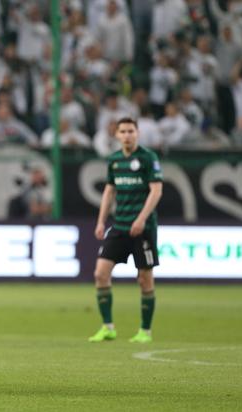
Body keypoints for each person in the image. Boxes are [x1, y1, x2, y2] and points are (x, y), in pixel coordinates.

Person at [89, 117, 163, 344]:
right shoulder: (114, 161)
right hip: (119, 226)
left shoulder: (148, 158)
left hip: (143, 229)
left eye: (131, 131)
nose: (127, 135)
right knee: (100, 274)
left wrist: (141, 219)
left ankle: (145, 331)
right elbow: (109, 192)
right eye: (123, 131)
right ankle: (107, 327)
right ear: (117, 135)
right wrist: (101, 221)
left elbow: (156, 191)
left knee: (144, 279)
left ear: (137, 133)